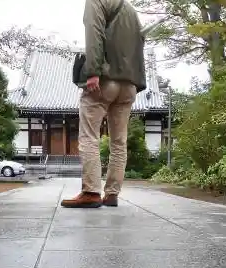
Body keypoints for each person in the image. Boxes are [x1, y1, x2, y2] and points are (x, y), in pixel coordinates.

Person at [61, 0, 159, 208]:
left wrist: (93, 71)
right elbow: (139, 43)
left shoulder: (96, 1)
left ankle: (91, 192)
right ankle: (112, 194)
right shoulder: (130, 9)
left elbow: (94, 32)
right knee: (119, 142)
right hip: (129, 84)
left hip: (105, 80)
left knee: (89, 136)